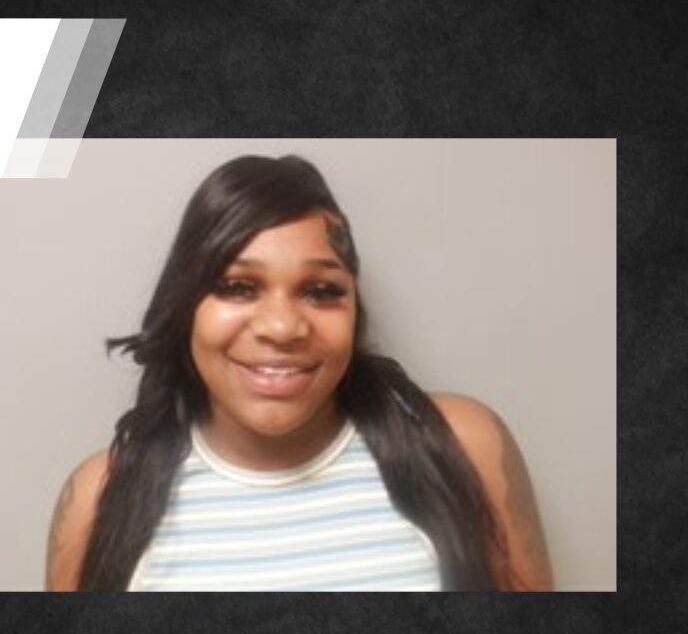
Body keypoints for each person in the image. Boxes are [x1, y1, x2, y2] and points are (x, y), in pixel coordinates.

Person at [46, 155, 552, 591]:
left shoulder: (463, 444)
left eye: (321, 290)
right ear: (185, 306)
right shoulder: (98, 499)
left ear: (355, 310)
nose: (284, 327)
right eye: (238, 287)